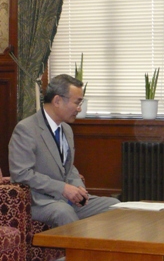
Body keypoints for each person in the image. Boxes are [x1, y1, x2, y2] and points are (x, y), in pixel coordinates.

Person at [8, 74, 120, 227]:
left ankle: (106, 250)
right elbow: (21, 173)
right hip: (39, 201)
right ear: (57, 101)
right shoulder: (26, 129)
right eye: (77, 102)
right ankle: (80, 251)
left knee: (114, 205)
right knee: (64, 212)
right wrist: (62, 188)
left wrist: (79, 188)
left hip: (65, 200)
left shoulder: (66, 129)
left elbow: (69, 167)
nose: (79, 109)